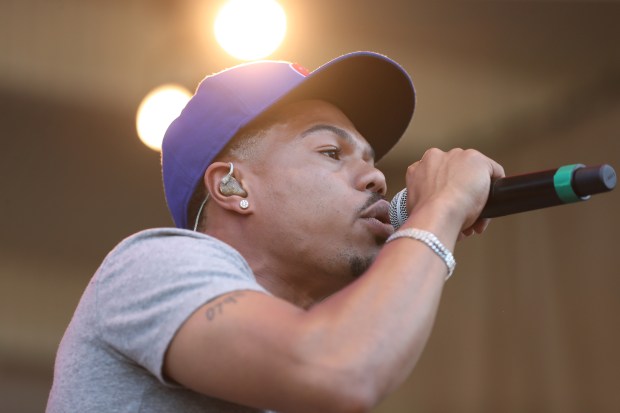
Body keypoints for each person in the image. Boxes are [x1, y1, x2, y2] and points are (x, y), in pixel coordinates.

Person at [47, 51, 504, 413]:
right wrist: (441, 208)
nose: (376, 179)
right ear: (233, 185)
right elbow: (340, 370)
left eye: (370, 159)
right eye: (330, 152)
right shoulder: (152, 265)